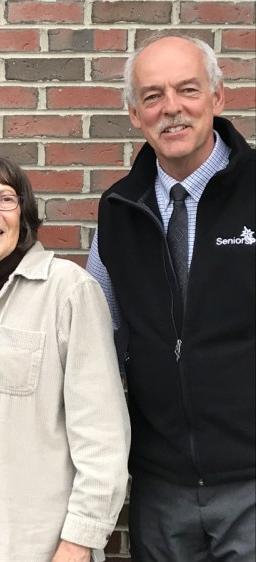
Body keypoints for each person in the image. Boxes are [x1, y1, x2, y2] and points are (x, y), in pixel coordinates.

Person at [87, 32, 256, 561]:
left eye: (187, 90)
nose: (172, 109)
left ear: (217, 97)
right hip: (162, 492)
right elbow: (96, 345)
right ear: (134, 113)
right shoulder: (118, 210)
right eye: (153, 96)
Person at [0, 153, 130, 562]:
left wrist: (79, 541)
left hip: (41, 548)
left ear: (23, 213)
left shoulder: (69, 291)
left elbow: (102, 435)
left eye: (6, 199)